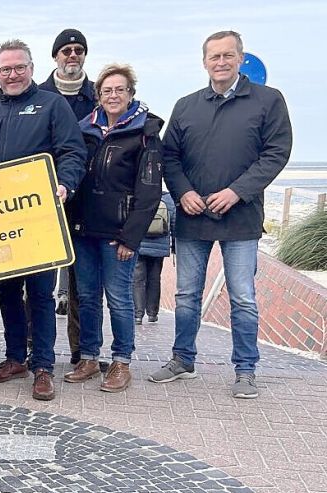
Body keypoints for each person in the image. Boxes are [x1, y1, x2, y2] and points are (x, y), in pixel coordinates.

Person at [152, 30, 292, 399]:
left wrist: (237, 192)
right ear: (204, 62)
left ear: (239, 58)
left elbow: (276, 152)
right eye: (214, 57)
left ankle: (245, 369)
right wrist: (183, 193)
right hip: (193, 216)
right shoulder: (186, 106)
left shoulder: (268, 101)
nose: (221, 62)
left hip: (242, 218)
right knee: (186, 295)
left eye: (228, 56)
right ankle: (182, 360)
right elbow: (170, 157)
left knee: (243, 296)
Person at [0, 39, 86, 401]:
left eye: (18, 68)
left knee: (42, 295)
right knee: (8, 291)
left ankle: (43, 366)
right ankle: (16, 358)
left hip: (41, 219)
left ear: (30, 68)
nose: (12, 75)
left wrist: (65, 185)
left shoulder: (52, 105)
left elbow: (73, 151)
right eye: (5, 69)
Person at [63, 64, 163, 393]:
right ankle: (89, 358)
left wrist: (130, 238)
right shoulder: (83, 129)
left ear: (131, 93)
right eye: (107, 90)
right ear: (98, 96)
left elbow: (149, 191)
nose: (113, 95)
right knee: (88, 298)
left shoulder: (144, 132)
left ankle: (121, 362)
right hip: (83, 229)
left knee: (119, 299)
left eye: (120, 89)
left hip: (118, 235)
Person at [39, 28, 97, 366]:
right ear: (56, 57)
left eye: (78, 50)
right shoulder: (40, 94)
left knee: (83, 286)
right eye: (66, 51)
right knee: (40, 283)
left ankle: (81, 351)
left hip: (85, 200)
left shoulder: (97, 94)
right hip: (44, 201)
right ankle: (37, 350)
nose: (72, 55)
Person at [134, 192, 175, 325]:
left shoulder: (140, 194)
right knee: (155, 278)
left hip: (139, 243)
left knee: (138, 279)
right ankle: (152, 313)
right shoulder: (169, 199)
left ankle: (138, 314)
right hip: (160, 245)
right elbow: (173, 222)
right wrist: (173, 245)